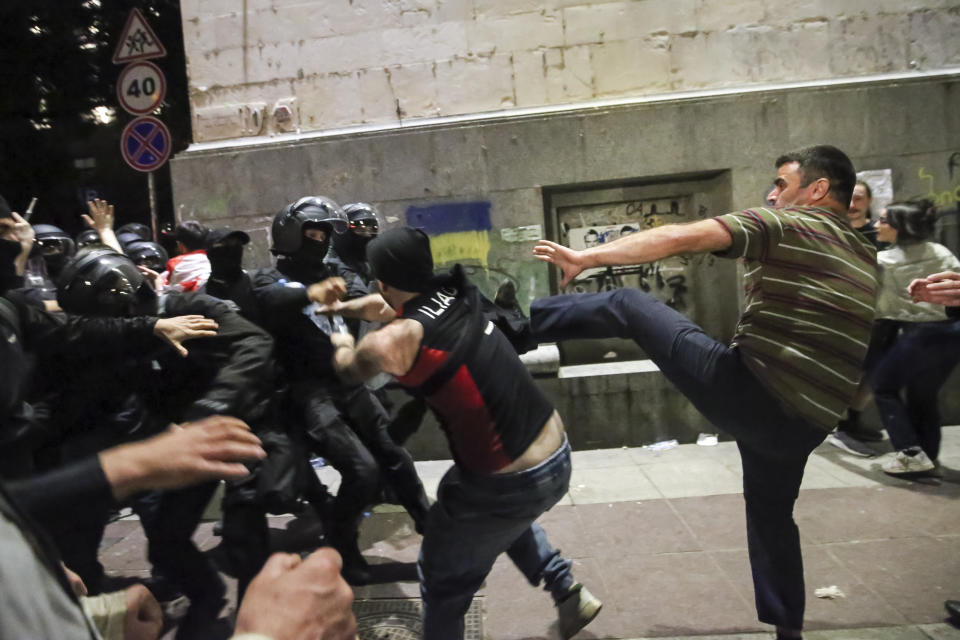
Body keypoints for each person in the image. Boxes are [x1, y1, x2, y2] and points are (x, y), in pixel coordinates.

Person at [531, 145, 876, 640]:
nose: (773, 194)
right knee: (773, 517)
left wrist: (588, 256)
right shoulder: (864, 251)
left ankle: (515, 327)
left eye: (782, 183)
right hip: (807, 425)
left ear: (817, 190)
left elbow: (678, 238)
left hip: (756, 393)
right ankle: (788, 632)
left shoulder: (792, 224)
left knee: (628, 304)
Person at [323, 226, 602, 640]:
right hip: (555, 455)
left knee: (441, 578)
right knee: (498, 520)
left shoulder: (395, 340)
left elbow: (350, 368)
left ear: (383, 282)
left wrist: (337, 333)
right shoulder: (453, 291)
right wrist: (343, 305)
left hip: (507, 481)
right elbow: (380, 307)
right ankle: (567, 591)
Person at [253, 197, 430, 584]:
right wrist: (311, 295)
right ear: (290, 236)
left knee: (394, 454)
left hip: (348, 382)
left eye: (325, 234)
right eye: (312, 233)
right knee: (362, 471)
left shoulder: (333, 272)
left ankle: (433, 532)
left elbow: (366, 300)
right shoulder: (270, 281)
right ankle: (342, 549)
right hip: (308, 393)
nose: (320, 241)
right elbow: (268, 300)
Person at [867, 200, 960, 475]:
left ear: (899, 228)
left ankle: (909, 452)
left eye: (883, 221)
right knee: (924, 396)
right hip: (952, 334)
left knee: (883, 387)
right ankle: (928, 457)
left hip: (918, 336)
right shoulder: (941, 252)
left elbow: (881, 308)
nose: (876, 225)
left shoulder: (885, 262)